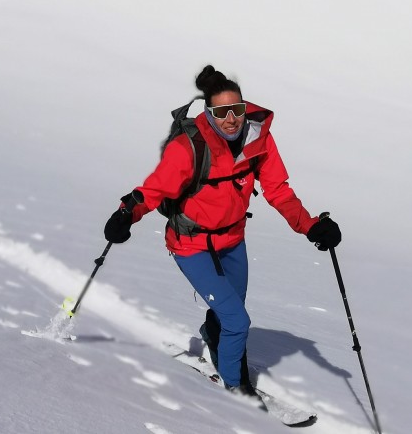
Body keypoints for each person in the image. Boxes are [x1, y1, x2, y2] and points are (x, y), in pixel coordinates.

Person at [103, 65, 342, 395]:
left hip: (232, 240)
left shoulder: (258, 140)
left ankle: (214, 338)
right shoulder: (189, 148)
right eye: (221, 112)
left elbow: (279, 190)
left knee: (230, 313)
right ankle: (235, 389)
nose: (231, 119)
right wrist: (125, 215)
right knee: (237, 321)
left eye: (237, 110)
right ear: (209, 112)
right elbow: (154, 190)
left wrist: (311, 226)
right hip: (191, 244)